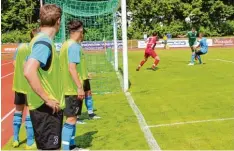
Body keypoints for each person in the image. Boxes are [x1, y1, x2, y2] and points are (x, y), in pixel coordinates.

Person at [24, 4, 64, 150]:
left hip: (44, 108)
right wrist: (47, 99)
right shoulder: (43, 42)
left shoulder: (38, 40)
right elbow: (28, 71)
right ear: (58, 20)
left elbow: (25, 65)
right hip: (46, 109)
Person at [59, 20, 86, 150]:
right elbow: (72, 68)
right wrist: (79, 87)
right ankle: (66, 149)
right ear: (80, 31)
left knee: (72, 118)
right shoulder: (74, 46)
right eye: (83, 32)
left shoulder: (65, 44)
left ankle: (72, 146)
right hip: (71, 89)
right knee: (71, 120)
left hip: (65, 87)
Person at [12, 29, 39, 149]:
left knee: (18, 111)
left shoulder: (21, 47)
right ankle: (29, 142)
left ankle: (15, 139)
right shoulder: (35, 49)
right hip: (29, 85)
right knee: (29, 111)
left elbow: (14, 63)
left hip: (18, 84)